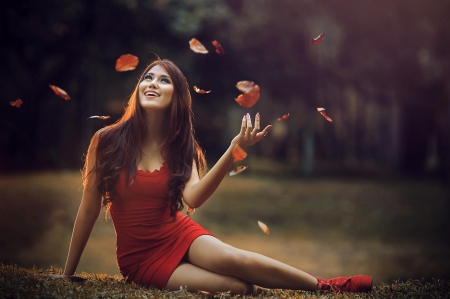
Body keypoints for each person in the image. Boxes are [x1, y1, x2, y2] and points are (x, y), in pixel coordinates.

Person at [49, 58, 373, 294]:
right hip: (140, 260)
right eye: (148, 77)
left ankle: (327, 286)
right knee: (238, 288)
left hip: (178, 233)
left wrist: (233, 148)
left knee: (237, 259)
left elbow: (192, 198)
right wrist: (67, 274)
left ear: (175, 97)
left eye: (164, 80)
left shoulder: (180, 146)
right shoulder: (105, 140)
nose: (152, 83)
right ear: (139, 88)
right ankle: (267, 290)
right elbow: (89, 208)